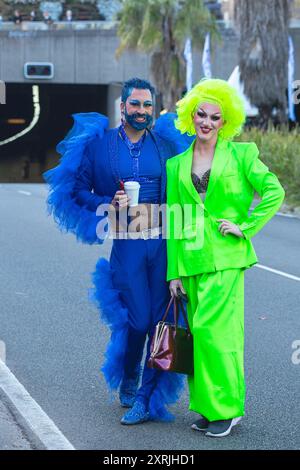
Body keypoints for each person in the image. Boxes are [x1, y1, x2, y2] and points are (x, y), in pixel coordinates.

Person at [43, 77, 184, 426]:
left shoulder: (166, 144)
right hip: (127, 244)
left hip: (165, 242)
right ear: (122, 107)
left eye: (147, 105)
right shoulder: (100, 145)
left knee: (161, 321)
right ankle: (130, 375)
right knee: (136, 320)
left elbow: (190, 190)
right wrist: (108, 201)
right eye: (135, 104)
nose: (141, 111)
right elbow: (77, 190)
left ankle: (145, 399)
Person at [166, 78, 285, 437]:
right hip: (191, 262)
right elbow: (175, 220)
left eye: (215, 117)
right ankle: (205, 405)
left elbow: (273, 192)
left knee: (219, 334)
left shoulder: (242, 154)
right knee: (199, 335)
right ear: (190, 116)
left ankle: (228, 409)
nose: (206, 122)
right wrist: (174, 272)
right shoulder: (176, 165)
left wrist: (245, 227)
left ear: (225, 122)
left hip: (227, 259)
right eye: (200, 114)